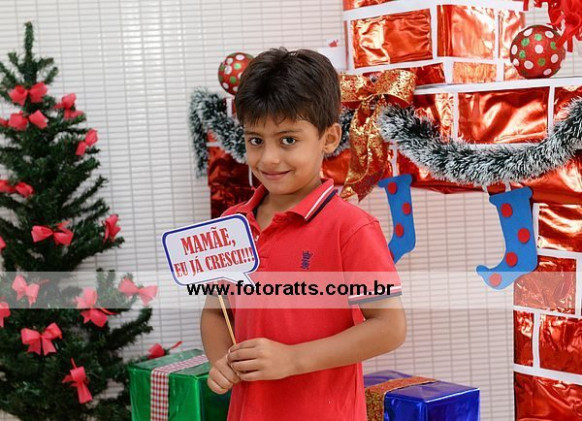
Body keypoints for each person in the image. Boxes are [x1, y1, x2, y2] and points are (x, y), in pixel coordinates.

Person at [200, 47, 406, 421]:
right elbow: (216, 312)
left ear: (329, 138)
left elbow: (389, 327)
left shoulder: (350, 228)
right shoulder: (232, 224)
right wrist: (221, 362)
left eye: (288, 140)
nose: (268, 158)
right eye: (255, 140)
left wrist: (293, 359)